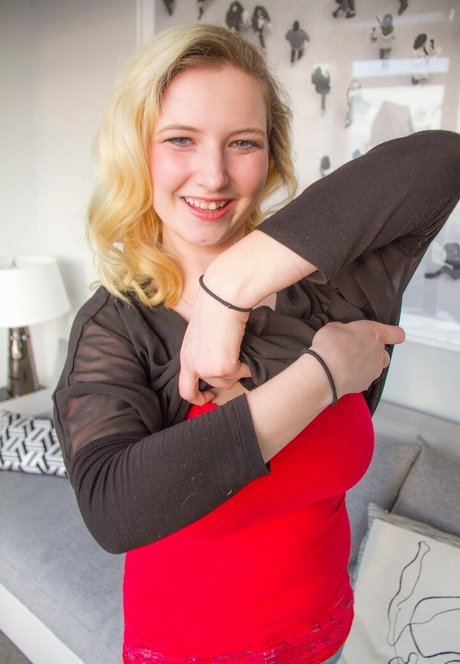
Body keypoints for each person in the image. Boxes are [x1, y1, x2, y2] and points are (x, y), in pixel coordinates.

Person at [52, 23, 460, 664]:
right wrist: (324, 374)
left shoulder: (328, 288)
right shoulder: (116, 325)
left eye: (242, 142)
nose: (213, 175)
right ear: (138, 151)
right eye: (180, 139)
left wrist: (228, 290)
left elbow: (442, 159)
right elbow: (114, 511)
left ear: (271, 154)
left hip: (327, 629)